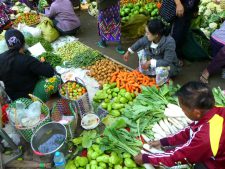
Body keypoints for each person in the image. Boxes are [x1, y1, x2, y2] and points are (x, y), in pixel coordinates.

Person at [134, 81, 225, 168]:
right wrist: (163, 142)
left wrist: (146, 158)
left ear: (196, 113)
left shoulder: (206, 137)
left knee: (197, 165)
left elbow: (179, 156)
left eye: (183, 109)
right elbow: (190, 130)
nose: (182, 111)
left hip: (218, 164)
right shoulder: (216, 111)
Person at [0, 29, 55, 101]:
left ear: (8, 45)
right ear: (23, 42)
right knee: (56, 79)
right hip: (30, 95)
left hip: (13, 97)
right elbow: (50, 72)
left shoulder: (1, 57)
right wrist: (44, 62)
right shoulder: (28, 60)